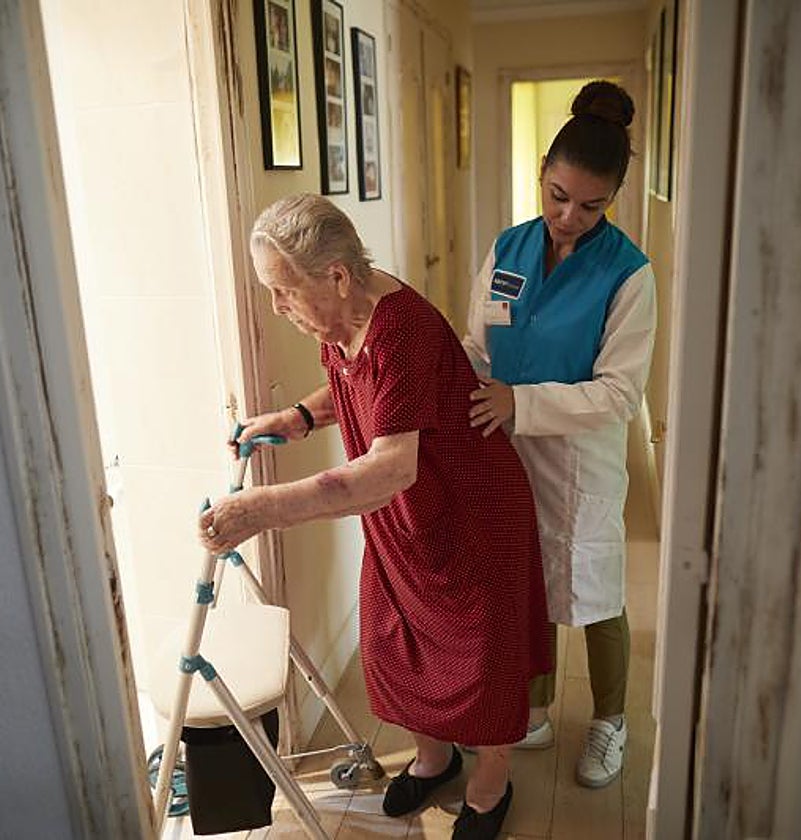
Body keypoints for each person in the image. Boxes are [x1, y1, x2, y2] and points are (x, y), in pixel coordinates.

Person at [198, 194, 551, 838]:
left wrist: (262, 509)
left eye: (283, 290)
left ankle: (489, 785)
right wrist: (297, 418)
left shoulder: (403, 329)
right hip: (402, 516)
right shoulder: (341, 317)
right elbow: (353, 387)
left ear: (335, 275)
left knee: (482, 657)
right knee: (395, 642)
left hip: (469, 512)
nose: (278, 307)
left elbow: (391, 467)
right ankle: (434, 758)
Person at [462, 80, 656, 789]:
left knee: (597, 590)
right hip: (507, 449)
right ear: (543, 170)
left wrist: (523, 403)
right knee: (527, 581)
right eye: (557, 194)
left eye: (591, 204)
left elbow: (619, 392)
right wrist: (469, 387)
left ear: (615, 198)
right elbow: (478, 346)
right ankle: (535, 705)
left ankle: (611, 721)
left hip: (581, 455)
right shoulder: (508, 247)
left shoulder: (629, 274)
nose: (569, 216)